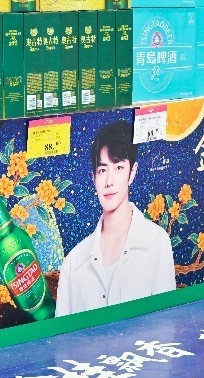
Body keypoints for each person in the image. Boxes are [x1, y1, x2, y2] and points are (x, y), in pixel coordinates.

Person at [55, 121, 176, 316]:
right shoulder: (73, 263)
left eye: (119, 168)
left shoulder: (157, 241)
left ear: (132, 173)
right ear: (93, 177)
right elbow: (63, 333)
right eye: (102, 170)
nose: (109, 181)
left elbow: (166, 322)